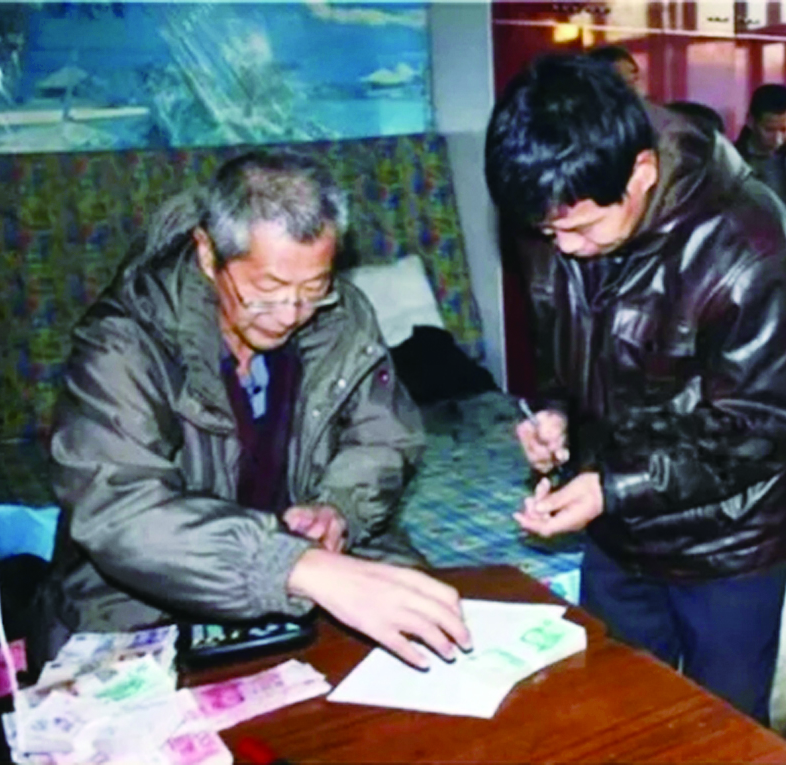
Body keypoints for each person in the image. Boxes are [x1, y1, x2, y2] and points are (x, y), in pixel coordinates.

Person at [34, 150, 471, 672]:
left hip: (313, 560)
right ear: (207, 252)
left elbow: (383, 437)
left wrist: (339, 509)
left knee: (434, 634)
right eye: (267, 291)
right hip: (142, 589)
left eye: (313, 288)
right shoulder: (125, 345)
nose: (290, 314)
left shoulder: (342, 316)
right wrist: (291, 565)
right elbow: (120, 509)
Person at [484, 54, 786, 724]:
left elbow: (757, 431)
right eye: (546, 231)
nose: (562, 247)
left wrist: (611, 487)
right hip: (618, 536)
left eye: (580, 228)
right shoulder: (555, 207)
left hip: (728, 543)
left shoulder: (751, 245)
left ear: (640, 172)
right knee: (621, 720)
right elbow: (563, 343)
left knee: (721, 733)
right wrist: (554, 413)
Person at [734, 84, 786, 237]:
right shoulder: (734, 161)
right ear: (750, 121)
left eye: (784, 129)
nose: (778, 139)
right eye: (769, 130)